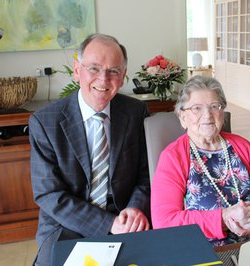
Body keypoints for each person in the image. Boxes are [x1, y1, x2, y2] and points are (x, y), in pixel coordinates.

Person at [29, 33, 151, 265]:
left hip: (127, 217)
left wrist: (135, 209)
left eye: (114, 71)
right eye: (94, 68)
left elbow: (146, 174)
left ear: (124, 75)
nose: (103, 79)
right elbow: (48, 194)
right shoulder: (45, 122)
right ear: (77, 70)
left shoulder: (136, 112)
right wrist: (107, 224)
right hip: (66, 223)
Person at [151, 76, 250, 246]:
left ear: (222, 113)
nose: (207, 115)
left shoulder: (242, 146)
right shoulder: (173, 157)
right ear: (182, 117)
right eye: (197, 108)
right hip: (206, 249)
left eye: (214, 106)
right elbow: (164, 221)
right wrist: (225, 218)